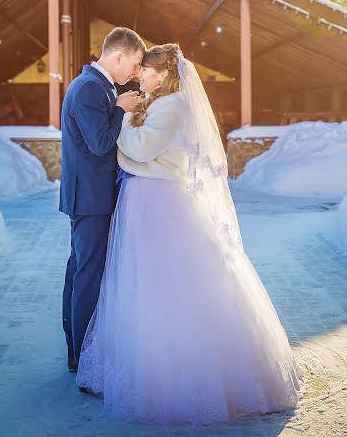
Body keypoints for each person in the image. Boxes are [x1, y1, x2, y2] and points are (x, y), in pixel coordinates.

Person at [76, 43, 301, 426]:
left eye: (145, 70)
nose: (139, 75)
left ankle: (186, 376)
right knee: (142, 285)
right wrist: (128, 120)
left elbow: (142, 148)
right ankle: (145, 362)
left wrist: (121, 121)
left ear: (163, 75)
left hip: (161, 202)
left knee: (172, 284)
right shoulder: (155, 103)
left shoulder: (174, 105)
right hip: (143, 198)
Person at [59, 27, 146, 371]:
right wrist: (121, 109)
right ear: (118, 55)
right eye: (136, 63)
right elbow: (99, 143)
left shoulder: (97, 86)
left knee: (79, 271)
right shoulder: (91, 88)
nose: (135, 72)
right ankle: (82, 357)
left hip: (89, 196)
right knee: (87, 276)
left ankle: (75, 350)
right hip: (91, 199)